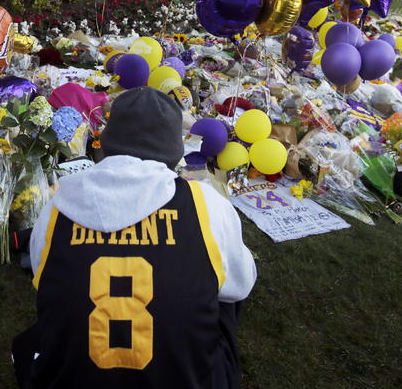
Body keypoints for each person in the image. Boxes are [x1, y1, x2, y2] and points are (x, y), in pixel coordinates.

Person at [13, 86, 256, 388]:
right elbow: (241, 284)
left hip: (74, 379)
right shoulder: (205, 203)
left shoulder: (58, 205)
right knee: (223, 280)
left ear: (107, 141)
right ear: (173, 149)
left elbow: (42, 275)